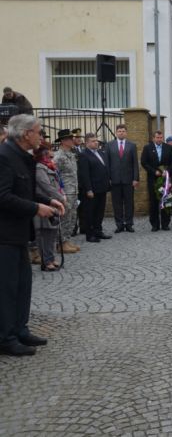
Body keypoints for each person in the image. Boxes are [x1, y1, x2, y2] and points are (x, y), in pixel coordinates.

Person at [0, 114, 65, 356]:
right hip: (4, 236)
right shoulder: (4, 157)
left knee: (22, 285)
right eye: (38, 131)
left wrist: (49, 200)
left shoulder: (22, 157)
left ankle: (19, 329)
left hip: (18, 234)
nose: (41, 136)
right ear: (26, 134)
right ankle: (6, 338)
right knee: (6, 288)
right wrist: (37, 208)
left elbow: (25, 192)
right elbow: (3, 196)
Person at [34, 143, 65, 271]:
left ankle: (51, 258)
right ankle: (46, 261)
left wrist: (60, 195)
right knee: (46, 233)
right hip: (46, 203)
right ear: (44, 153)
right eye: (50, 150)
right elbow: (46, 186)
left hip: (53, 202)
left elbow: (57, 183)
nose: (52, 152)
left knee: (52, 233)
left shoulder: (50, 166)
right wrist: (60, 197)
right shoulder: (40, 168)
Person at [105, 124, 139, 233]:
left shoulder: (132, 145)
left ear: (126, 133)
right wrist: (108, 178)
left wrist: (135, 179)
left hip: (128, 180)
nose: (121, 133)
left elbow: (135, 164)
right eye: (119, 131)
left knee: (129, 203)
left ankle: (129, 224)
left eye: (123, 131)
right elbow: (107, 163)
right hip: (114, 180)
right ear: (116, 132)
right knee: (117, 203)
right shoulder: (109, 145)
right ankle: (119, 224)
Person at [78, 133, 112, 243]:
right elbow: (84, 174)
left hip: (102, 188)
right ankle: (90, 234)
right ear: (87, 143)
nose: (96, 142)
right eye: (93, 141)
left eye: (96, 140)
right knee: (90, 212)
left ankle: (98, 231)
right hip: (92, 189)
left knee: (100, 212)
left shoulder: (101, 153)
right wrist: (88, 189)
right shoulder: (84, 155)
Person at [141, 130, 172, 232]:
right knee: (153, 202)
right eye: (157, 137)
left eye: (161, 138)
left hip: (166, 178)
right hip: (153, 178)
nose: (159, 139)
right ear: (153, 138)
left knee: (166, 200)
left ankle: (165, 224)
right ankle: (154, 224)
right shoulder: (147, 148)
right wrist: (154, 171)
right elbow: (144, 162)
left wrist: (167, 171)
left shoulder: (169, 148)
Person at [53, 129, 80, 253]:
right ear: (63, 141)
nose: (72, 140)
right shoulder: (58, 156)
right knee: (65, 217)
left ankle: (67, 240)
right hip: (65, 192)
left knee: (72, 217)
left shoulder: (71, 154)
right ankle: (61, 243)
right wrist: (59, 192)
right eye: (70, 139)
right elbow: (55, 175)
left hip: (73, 190)